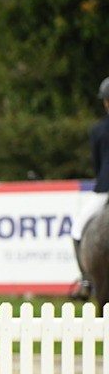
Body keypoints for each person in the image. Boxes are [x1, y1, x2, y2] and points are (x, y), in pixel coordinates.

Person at [72, 76, 109, 299]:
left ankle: (86, 280)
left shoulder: (98, 130)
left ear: (105, 102)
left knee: (77, 229)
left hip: (105, 188)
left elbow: (97, 163)